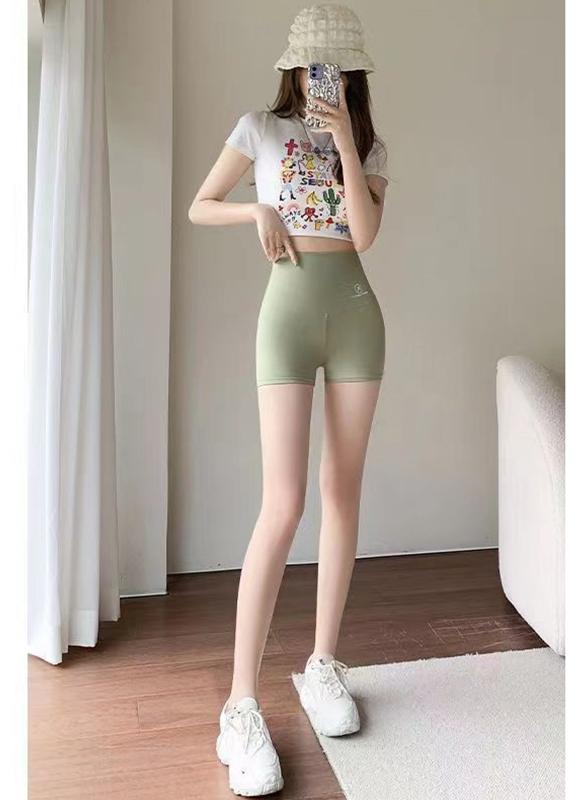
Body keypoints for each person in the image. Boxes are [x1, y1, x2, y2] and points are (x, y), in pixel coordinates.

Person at [189, 5, 388, 796]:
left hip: (357, 317)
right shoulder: (258, 129)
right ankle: (240, 705)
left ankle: (323, 664)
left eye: (332, 68)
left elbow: (364, 237)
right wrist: (256, 208)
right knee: (284, 503)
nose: (318, 80)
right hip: (287, 319)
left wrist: (345, 144)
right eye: (310, 68)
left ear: (351, 74)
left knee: (343, 494)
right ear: (293, 69)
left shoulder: (367, 144)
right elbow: (200, 204)